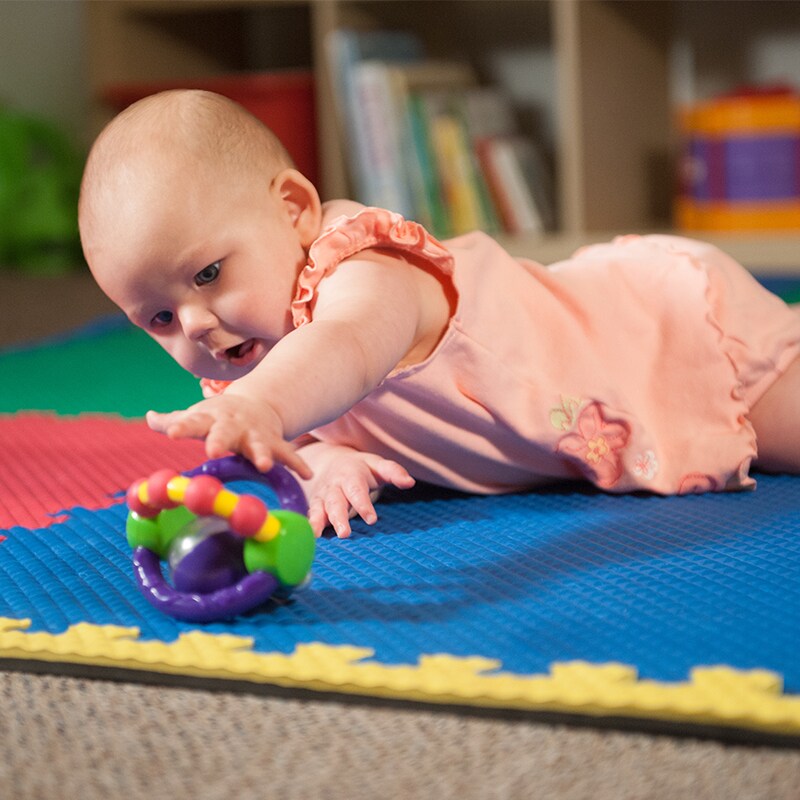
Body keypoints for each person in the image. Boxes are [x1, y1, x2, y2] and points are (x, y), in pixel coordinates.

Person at [78, 89, 800, 538]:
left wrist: (266, 406)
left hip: (666, 333)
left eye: (207, 274)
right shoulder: (253, 363)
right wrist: (322, 463)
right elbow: (308, 419)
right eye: (158, 320)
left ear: (295, 210)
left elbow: (346, 348)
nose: (196, 325)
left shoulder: (363, 268)